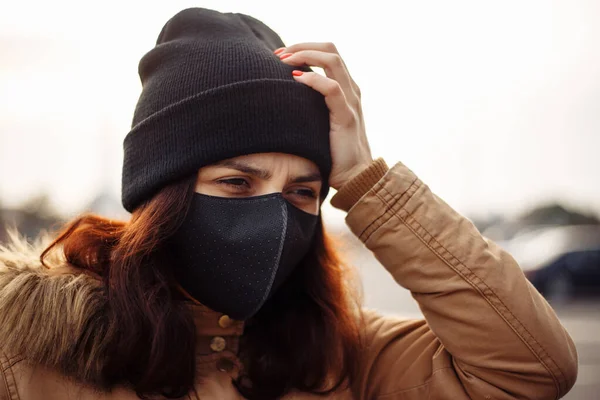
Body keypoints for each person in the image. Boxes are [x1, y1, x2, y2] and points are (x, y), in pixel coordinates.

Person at [0, 7, 577, 400]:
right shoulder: (27, 352)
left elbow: (531, 369)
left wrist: (366, 180)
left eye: (303, 191)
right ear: (160, 197)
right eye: (236, 183)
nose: (275, 218)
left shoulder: (343, 355)